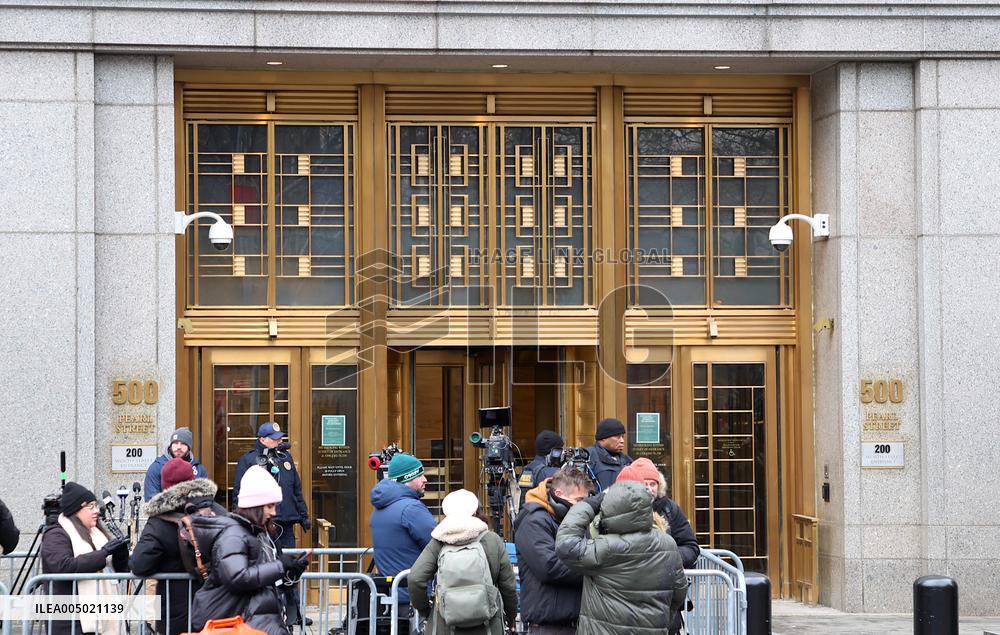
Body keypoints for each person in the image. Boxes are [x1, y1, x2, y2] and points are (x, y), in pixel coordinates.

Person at [555, 480, 688, 635]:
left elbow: (566, 545)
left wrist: (589, 505)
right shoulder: (667, 544)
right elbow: (679, 592)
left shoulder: (607, 548)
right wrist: (660, 622)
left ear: (610, 509)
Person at [191, 465, 310, 635]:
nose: (274, 512)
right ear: (255, 505)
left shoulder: (259, 534)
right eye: (269, 506)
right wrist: (280, 566)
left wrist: (291, 573)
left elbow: (264, 579)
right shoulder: (233, 535)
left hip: (257, 620)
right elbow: (237, 577)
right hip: (245, 622)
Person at [130, 460, 227, 635]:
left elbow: (139, 564)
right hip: (218, 606)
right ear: (193, 479)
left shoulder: (159, 522)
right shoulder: (216, 510)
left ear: (164, 486)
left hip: (176, 614)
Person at [409, 490, 518, 635]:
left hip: (446, 626)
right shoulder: (492, 540)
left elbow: (415, 578)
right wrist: (510, 617)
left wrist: (426, 611)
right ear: (475, 511)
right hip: (488, 626)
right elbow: (508, 587)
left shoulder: (439, 541)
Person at [40, 482, 130, 635]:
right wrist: (103, 553)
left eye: (96, 506)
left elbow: (116, 573)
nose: (97, 511)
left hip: (101, 615)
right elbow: (63, 566)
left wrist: (120, 555)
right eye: (91, 506)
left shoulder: (96, 533)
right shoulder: (56, 534)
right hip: (71, 621)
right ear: (76, 509)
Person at [513, 467, 594, 635]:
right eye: (579, 500)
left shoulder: (574, 520)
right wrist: (593, 569)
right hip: (548, 625)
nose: (583, 506)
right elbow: (549, 567)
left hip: (575, 622)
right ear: (558, 493)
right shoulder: (533, 521)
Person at [369, 452, 436, 605]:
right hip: (414, 597)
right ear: (408, 478)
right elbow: (437, 544)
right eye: (420, 475)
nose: (425, 480)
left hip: (393, 595)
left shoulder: (380, 508)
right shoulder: (411, 508)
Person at [233, 422, 310, 548]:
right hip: (262, 523)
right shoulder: (249, 460)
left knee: (288, 562)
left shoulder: (285, 457)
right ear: (262, 439)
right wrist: (240, 520)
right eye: (275, 439)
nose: (279, 441)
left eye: (280, 438)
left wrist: (303, 515)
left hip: (286, 522)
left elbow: (295, 488)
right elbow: (238, 492)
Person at [628, 458, 700, 568]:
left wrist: (668, 557)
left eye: (652, 484)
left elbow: (690, 547)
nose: (649, 489)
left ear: (659, 485)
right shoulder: (621, 508)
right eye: (644, 484)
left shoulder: (670, 508)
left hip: (666, 578)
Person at [145, 427, 208, 501]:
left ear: (189, 447)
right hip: (165, 511)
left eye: (183, 444)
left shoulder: (199, 469)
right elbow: (151, 500)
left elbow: (204, 499)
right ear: (171, 445)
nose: (179, 447)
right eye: (175, 443)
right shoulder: (157, 468)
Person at [517, 431, 564, 506]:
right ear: (553, 452)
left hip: (526, 514)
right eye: (560, 450)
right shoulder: (552, 473)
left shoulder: (526, 469)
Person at [586, 418, 633, 491]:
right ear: (603, 438)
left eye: (622, 437)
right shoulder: (587, 457)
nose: (622, 441)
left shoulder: (627, 461)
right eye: (617, 437)